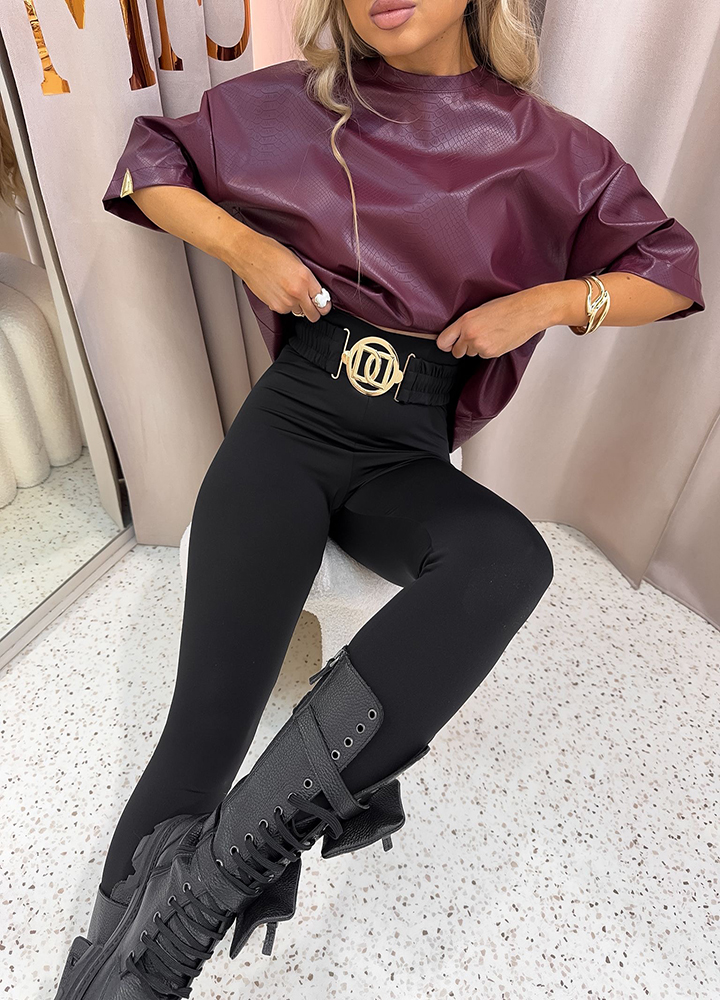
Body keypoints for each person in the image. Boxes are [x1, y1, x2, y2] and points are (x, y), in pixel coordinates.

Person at [53, 1, 704, 997]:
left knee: (508, 560)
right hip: (289, 430)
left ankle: (209, 879)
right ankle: (132, 967)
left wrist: (544, 303)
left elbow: (670, 268)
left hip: (405, 451)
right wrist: (247, 249)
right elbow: (150, 164)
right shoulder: (299, 105)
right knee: (203, 734)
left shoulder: (552, 150)